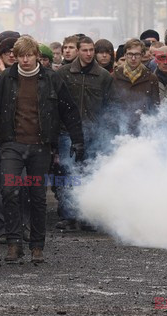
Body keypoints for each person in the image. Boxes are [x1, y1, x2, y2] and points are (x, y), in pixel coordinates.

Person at [0, 36, 84, 263]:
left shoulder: (52, 79)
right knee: (9, 190)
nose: (25, 60)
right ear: (15, 56)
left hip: (40, 146)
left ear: (37, 56)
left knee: (37, 196)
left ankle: (37, 246)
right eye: (21, 56)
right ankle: (14, 243)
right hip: (12, 144)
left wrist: (77, 139)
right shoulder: (6, 78)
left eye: (29, 55)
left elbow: (69, 110)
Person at [57, 36, 114, 231]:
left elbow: (110, 106)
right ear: (78, 51)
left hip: (94, 132)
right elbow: (57, 104)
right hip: (68, 132)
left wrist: (104, 129)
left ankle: (89, 215)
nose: (89, 54)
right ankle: (69, 215)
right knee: (69, 172)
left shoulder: (104, 76)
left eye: (92, 50)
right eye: (85, 50)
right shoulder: (64, 73)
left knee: (91, 173)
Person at [111, 38, 159, 136]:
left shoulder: (151, 78)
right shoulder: (114, 76)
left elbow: (155, 107)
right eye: (130, 54)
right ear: (125, 55)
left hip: (143, 130)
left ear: (142, 55)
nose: (133, 58)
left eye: (137, 54)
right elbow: (109, 106)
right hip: (119, 129)